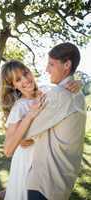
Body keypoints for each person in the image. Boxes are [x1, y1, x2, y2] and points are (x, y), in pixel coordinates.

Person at [0, 43, 83, 200]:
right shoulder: (19, 108)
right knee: (20, 192)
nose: (25, 80)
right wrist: (30, 115)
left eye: (26, 73)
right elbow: (7, 149)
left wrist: (78, 83)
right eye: (18, 79)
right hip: (27, 160)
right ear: (14, 85)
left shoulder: (47, 91)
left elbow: (63, 90)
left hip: (43, 160)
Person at [24, 42, 86, 200]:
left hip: (44, 184)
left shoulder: (59, 94)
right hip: (61, 185)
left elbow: (24, 134)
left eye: (51, 64)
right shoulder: (78, 95)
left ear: (67, 64)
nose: (46, 69)